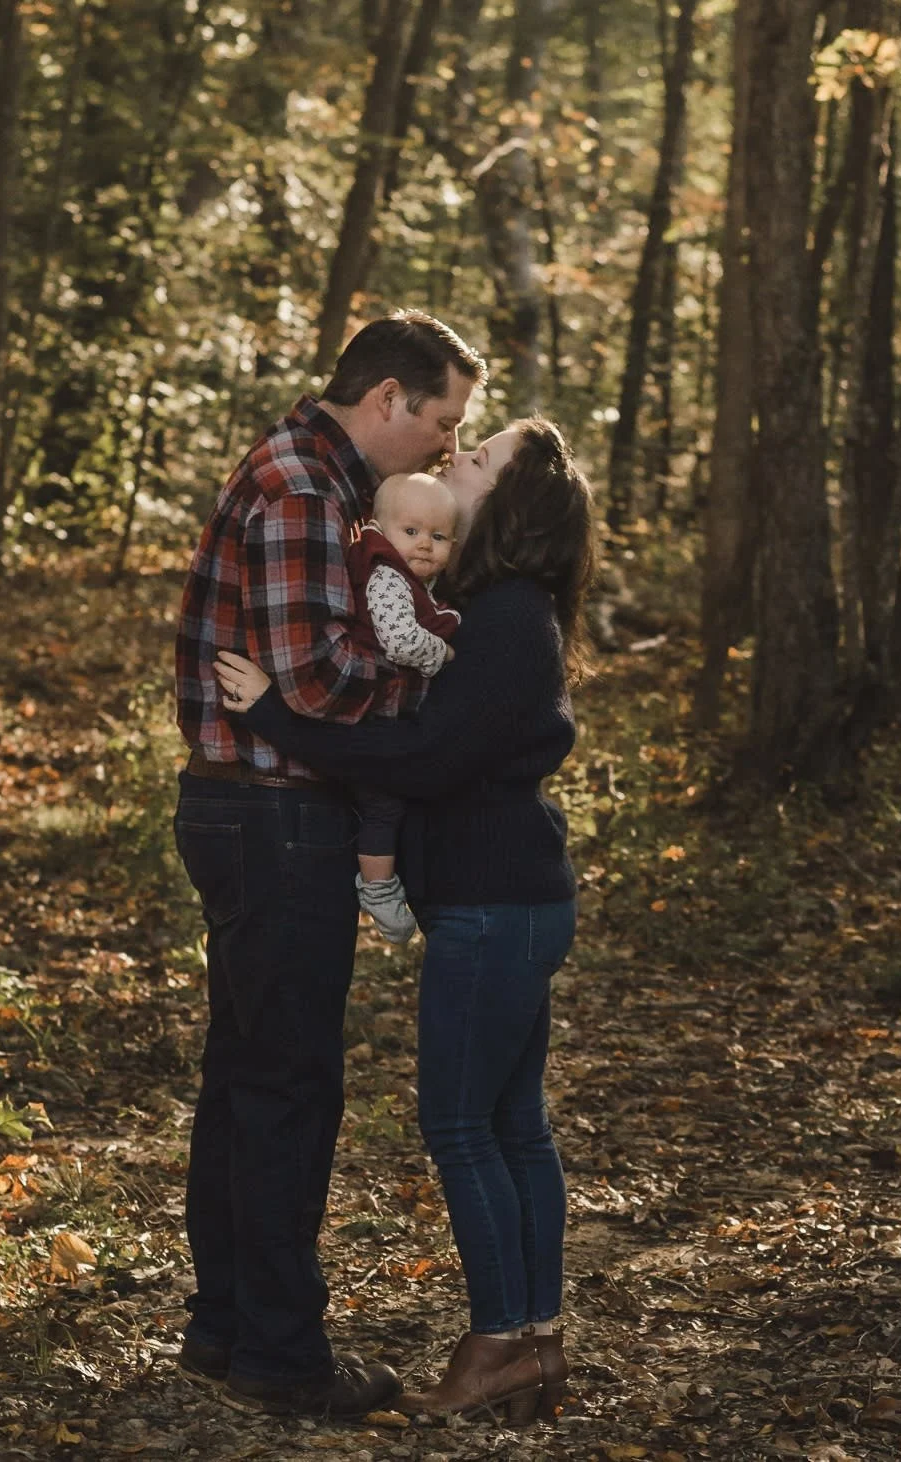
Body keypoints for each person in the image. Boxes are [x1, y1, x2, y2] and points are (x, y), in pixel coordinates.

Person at [214, 416, 596, 1425]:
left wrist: (274, 715)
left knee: (463, 1127)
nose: (456, 459)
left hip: (495, 905)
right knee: (513, 1125)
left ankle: (499, 1344)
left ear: (510, 502)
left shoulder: (506, 616)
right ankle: (536, 1339)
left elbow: (424, 760)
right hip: (510, 898)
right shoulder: (489, 605)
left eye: (480, 458)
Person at [172, 310, 487, 1418]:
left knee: (248, 1074)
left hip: (253, 809)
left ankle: (226, 1330)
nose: (450, 445)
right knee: (287, 1085)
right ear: (389, 399)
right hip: (274, 814)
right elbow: (313, 678)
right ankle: (281, 1357)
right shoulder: (306, 489)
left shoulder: (321, 482)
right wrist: (438, 682)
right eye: (444, 420)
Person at [346, 471, 461, 944]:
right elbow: (400, 641)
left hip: (387, 717)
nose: (425, 544)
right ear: (379, 528)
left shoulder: (413, 581)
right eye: (411, 531)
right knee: (383, 804)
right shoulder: (387, 577)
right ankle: (377, 888)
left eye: (438, 536)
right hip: (371, 717)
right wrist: (445, 654)